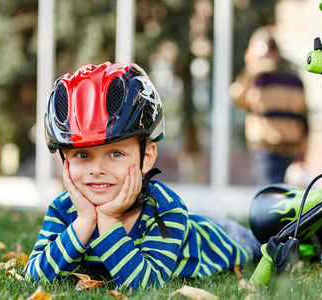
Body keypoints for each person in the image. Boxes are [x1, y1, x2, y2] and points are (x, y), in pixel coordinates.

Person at [24, 62, 261, 290]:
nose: (96, 169)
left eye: (115, 153)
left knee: (261, 242)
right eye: (83, 154)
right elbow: (35, 276)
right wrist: (84, 221)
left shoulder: (166, 210)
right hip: (183, 224)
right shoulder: (64, 209)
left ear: (146, 156)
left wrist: (107, 219)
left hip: (218, 238)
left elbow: (146, 285)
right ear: (65, 159)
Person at [230, 26, 309, 187]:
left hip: (266, 150)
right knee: (288, 199)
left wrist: (251, 65)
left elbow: (236, 97)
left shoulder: (257, 76)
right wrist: (303, 152)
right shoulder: (295, 77)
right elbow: (305, 120)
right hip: (291, 151)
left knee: (271, 199)